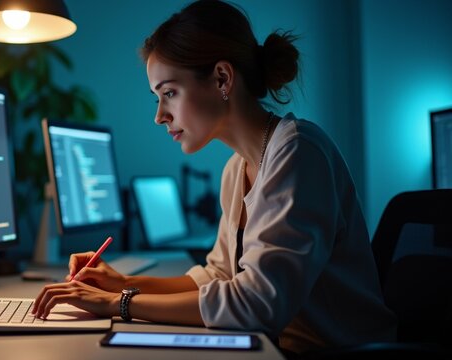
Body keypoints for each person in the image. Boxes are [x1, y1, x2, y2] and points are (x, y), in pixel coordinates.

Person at [32, 0, 396, 355]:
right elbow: (218, 276)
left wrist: (118, 303)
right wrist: (123, 282)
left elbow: (257, 304)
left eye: (169, 93)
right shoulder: (237, 169)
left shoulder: (298, 152)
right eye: (157, 98)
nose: (160, 115)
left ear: (222, 78)